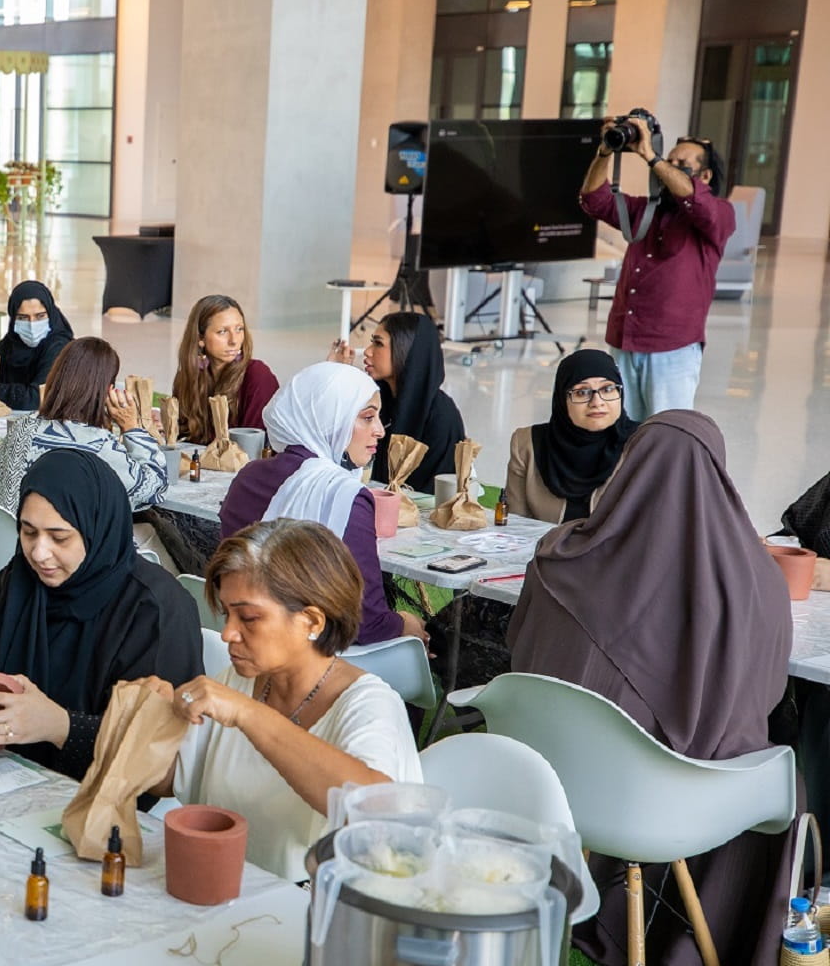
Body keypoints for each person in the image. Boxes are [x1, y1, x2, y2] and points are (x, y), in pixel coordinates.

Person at [508, 410, 790, 964]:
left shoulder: (560, 556)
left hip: (546, 777)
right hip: (674, 803)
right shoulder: (755, 581)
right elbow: (765, 698)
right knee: (780, 774)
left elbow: (518, 647)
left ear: (628, 468)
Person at [147, 519, 422, 882]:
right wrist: (150, 719)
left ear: (312, 621)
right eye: (227, 614)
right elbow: (169, 781)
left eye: (248, 618)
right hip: (224, 892)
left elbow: (370, 811)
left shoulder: (368, 705)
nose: (228, 633)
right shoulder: (241, 682)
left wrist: (248, 714)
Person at [0, 451, 203, 779]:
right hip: (2, 773)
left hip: (95, 797)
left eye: (59, 537)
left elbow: (159, 754)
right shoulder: (24, 578)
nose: (39, 553)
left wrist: (60, 726)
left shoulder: (155, 610)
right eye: (28, 532)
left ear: (96, 530)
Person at [220, 362, 426, 646]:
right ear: (330, 421)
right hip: (320, 655)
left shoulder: (248, 478)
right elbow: (367, 624)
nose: (379, 430)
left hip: (240, 639)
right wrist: (405, 622)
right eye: (367, 418)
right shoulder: (344, 496)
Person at [580, 120, 732, 419]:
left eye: (681, 164)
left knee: (665, 432)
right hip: (624, 340)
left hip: (672, 348)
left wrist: (651, 156)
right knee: (623, 430)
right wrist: (605, 151)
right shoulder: (645, 211)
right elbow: (594, 200)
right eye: (668, 160)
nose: (667, 168)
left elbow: (696, 201)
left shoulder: (720, 213)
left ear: (705, 176)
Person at [0, 337, 167, 516]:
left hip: (8, 530)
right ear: (107, 391)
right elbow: (155, 487)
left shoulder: (22, 427)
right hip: (60, 533)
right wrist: (132, 427)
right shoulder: (97, 445)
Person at [332, 311, 463, 493]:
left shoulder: (441, 416)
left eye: (378, 343)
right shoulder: (377, 400)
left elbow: (437, 493)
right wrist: (338, 374)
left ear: (406, 350)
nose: (368, 351)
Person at [503, 349, 637, 522]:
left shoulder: (642, 442)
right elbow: (516, 525)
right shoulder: (527, 444)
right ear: (562, 398)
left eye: (607, 389)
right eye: (582, 392)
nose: (597, 402)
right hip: (543, 541)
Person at [170, 294, 279, 445]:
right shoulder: (188, 376)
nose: (234, 341)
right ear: (200, 338)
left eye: (239, 329)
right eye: (222, 331)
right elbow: (184, 435)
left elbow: (253, 446)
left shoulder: (257, 375)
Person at [0, 281, 73, 411]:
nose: (32, 324)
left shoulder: (59, 347)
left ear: (50, 314)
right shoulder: (11, 342)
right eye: (23, 317)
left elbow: (36, 398)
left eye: (40, 316)